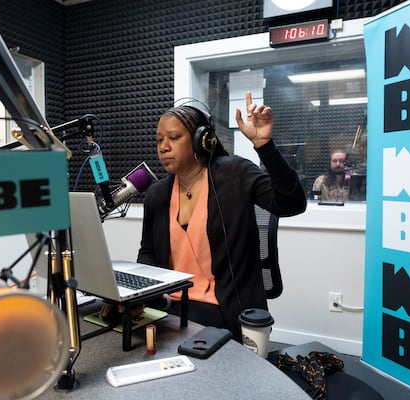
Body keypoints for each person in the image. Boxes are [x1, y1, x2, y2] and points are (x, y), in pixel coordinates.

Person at [132, 91, 307, 341]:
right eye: (159, 139)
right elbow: (147, 252)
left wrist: (264, 146)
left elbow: (292, 204)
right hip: (170, 306)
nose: (163, 147)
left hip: (225, 308)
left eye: (173, 137)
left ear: (200, 140)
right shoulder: (157, 195)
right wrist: (139, 295)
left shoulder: (235, 174)